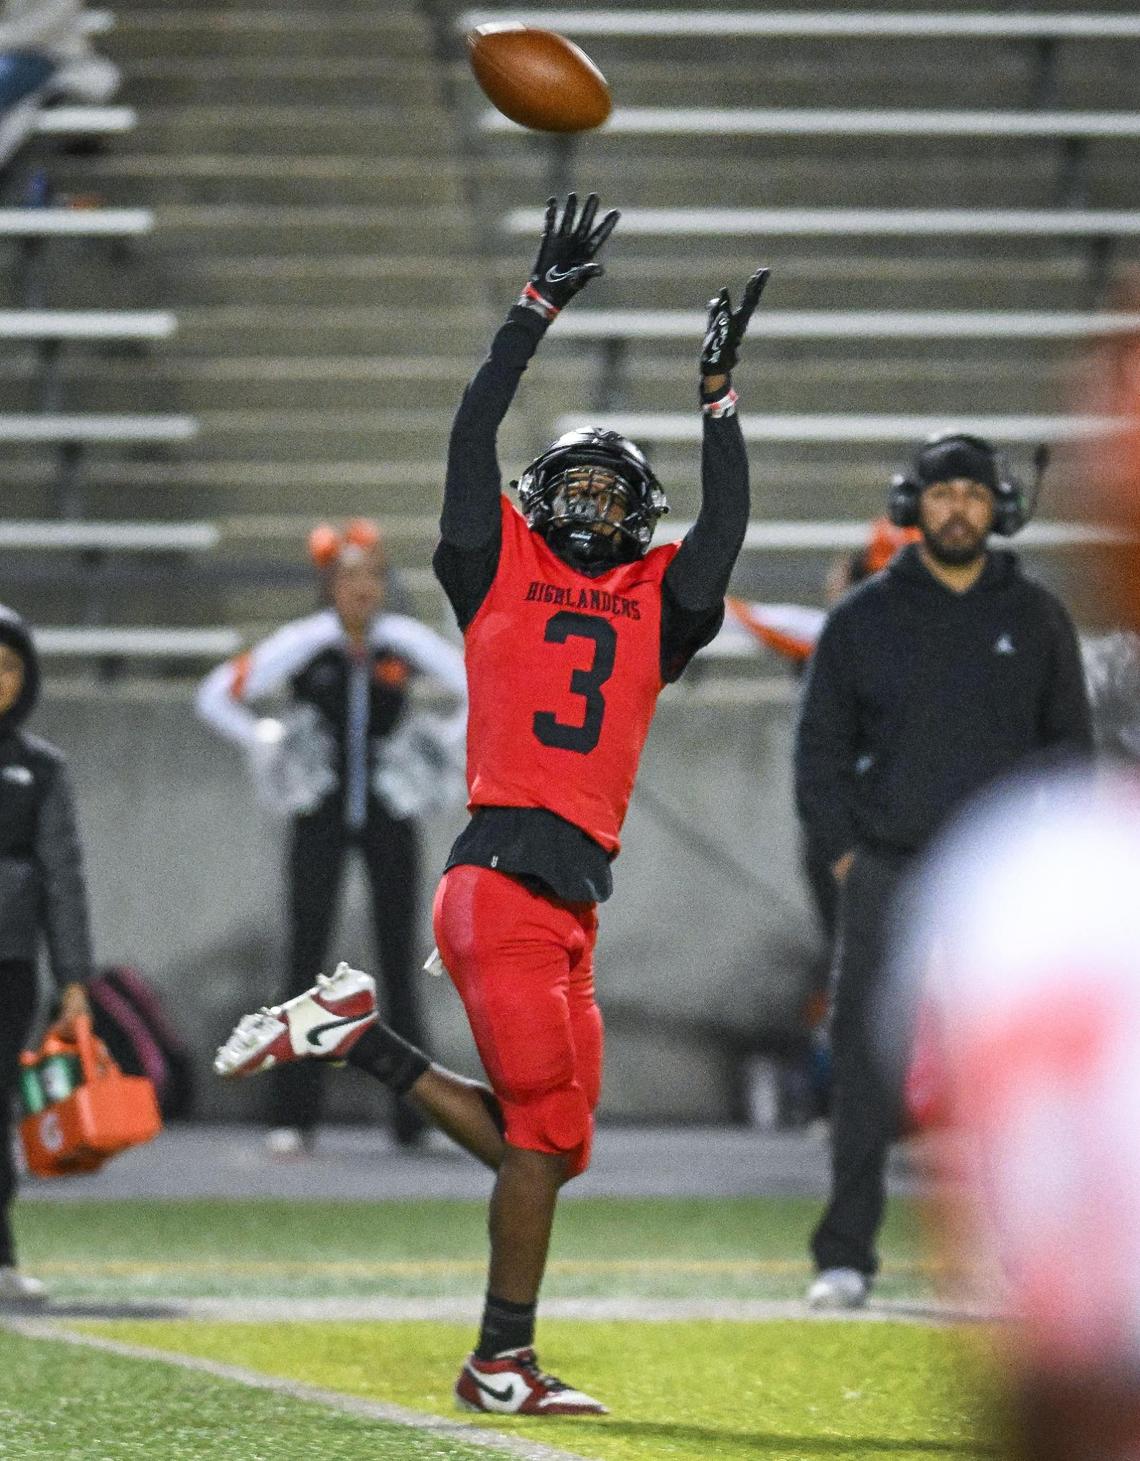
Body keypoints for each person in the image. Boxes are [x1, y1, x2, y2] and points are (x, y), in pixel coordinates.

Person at [215, 191, 768, 1415]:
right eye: (577, 486)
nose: (596, 508)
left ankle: (359, 1035)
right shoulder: (495, 568)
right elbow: (474, 430)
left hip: (572, 898)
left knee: (559, 1145)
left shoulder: (657, 603)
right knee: (540, 1142)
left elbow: (725, 527)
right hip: (501, 880)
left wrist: (717, 400)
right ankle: (497, 1361)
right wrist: (535, 308)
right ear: (537, 497)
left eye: (617, 496)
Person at [794, 430, 1094, 1310]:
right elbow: (818, 756)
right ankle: (844, 1253)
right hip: (890, 864)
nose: (956, 507)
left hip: (999, 882)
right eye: (941, 492)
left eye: (971, 492)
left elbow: (1070, 749)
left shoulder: (1036, 616)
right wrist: (848, 853)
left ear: (996, 506)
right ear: (910, 506)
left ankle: (1027, 1255)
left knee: (1013, 1068)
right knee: (863, 1060)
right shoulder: (863, 618)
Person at [197, 519, 466, 1154]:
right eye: (348, 578)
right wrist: (267, 741)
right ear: (328, 585)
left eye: (372, 576)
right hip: (317, 816)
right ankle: (292, 1116)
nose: (361, 591)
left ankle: (413, 1116)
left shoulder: (403, 643)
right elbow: (215, 696)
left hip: (388, 816)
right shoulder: (303, 644)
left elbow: (482, 690)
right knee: (303, 960)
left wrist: (436, 745)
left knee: (401, 959)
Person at [0, 603, 91, 1303]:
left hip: (10, 962)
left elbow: (63, 876)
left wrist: (73, 978)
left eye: (8, 666)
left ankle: (1, 1255)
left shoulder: (40, 768)